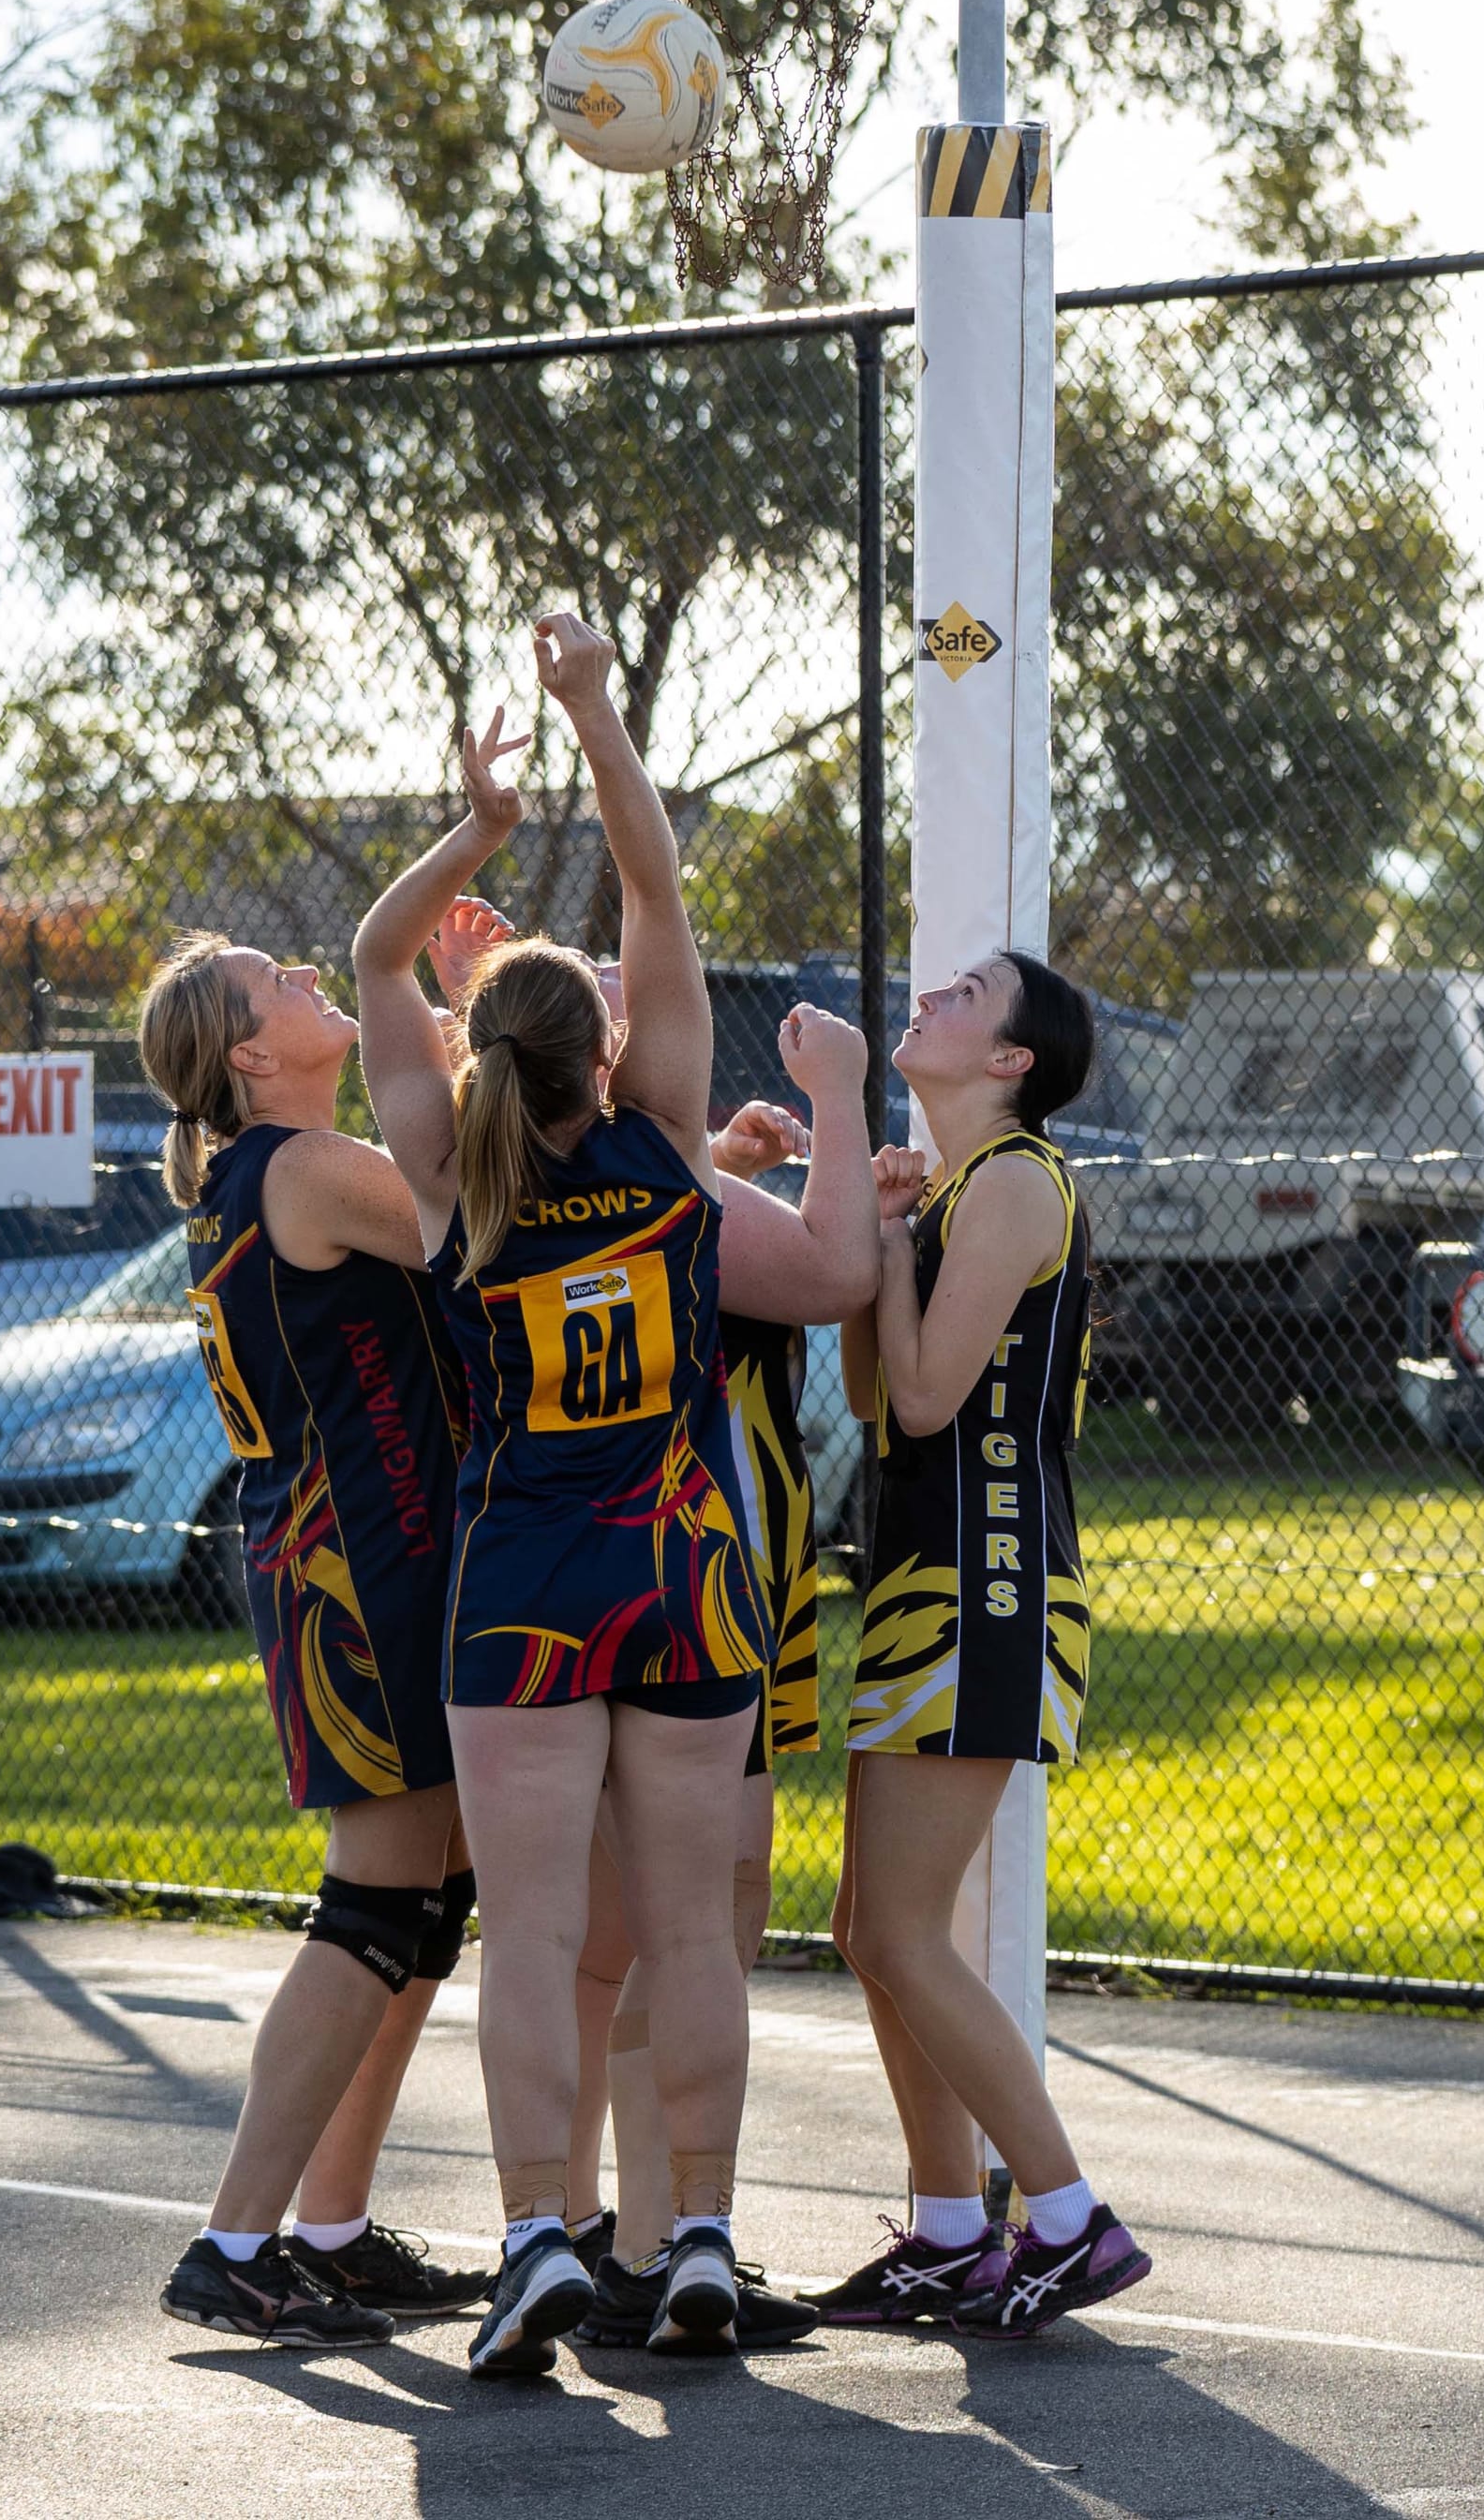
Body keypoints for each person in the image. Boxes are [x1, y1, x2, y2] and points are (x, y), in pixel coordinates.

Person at [352, 612, 774, 2378]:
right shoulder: (665, 1137)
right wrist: (595, 714)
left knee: (527, 1932)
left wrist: (477, 829)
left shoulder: (450, 1174)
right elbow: (659, 891)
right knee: (689, 1929)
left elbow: (376, 958)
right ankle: (701, 2237)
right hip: (686, 1570)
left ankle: (539, 2236)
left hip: (524, 1577)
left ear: (479, 1057)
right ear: (604, 1046)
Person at [137, 922, 497, 2349]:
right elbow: (491, 1224)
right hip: (365, 1575)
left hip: (362, 1559)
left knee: (427, 1903)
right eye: (277, 984)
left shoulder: (262, 1171)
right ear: (249, 1054)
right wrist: (481, 1023)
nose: (308, 980)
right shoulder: (301, 1168)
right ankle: (234, 2245)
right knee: (371, 1907)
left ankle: (332, 2230)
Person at [816, 952, 1152, 2338]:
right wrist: (882, 1237)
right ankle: (952, 2234)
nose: (935, 998)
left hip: (990, 1585)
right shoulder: (957, 1189)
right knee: (868, 1931)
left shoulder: (1015, 1182)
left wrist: (893, 1251)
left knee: (903, 1929)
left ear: (1013, 1061)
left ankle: (1069, 2219)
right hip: (927, 1577)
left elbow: (924, 1394)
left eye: (968, 994)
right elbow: (870, 1384)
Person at [574, 1063, 879, 2351]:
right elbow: (830, 1273)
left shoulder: (633, 1171)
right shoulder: (638, 1180)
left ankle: (628, 2234)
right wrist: (842, 1109)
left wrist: (739, 1168)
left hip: (687, 1563)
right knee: (685, 1919)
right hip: (689, 1570)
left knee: (682, 1914)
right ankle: (644, 2239)